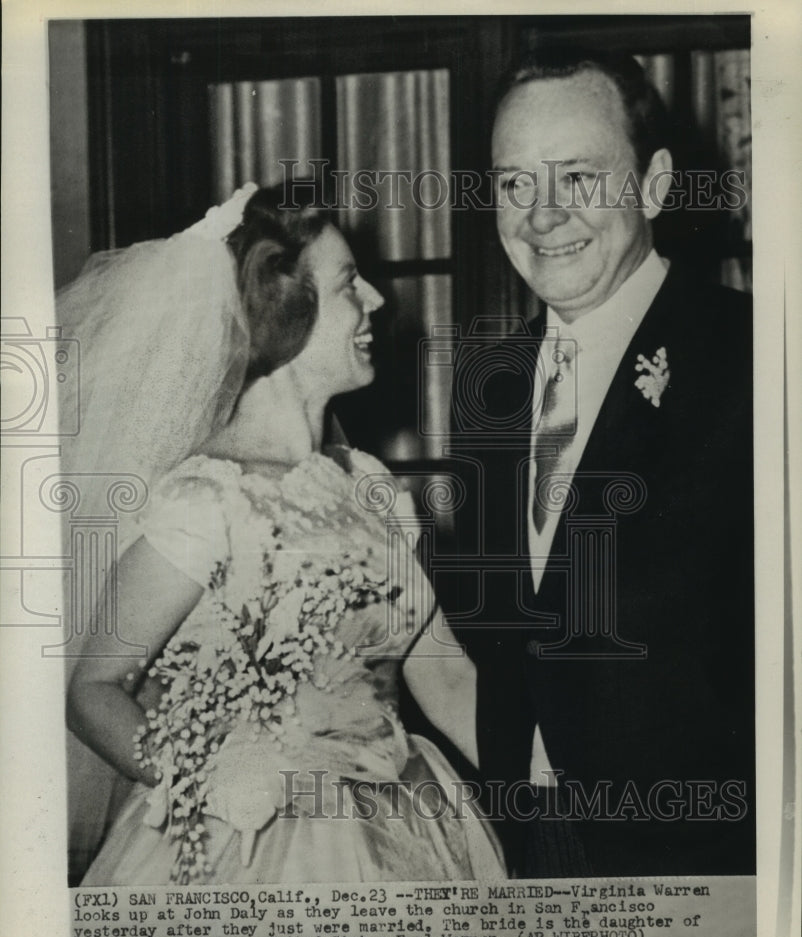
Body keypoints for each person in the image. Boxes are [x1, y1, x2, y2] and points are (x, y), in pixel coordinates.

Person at [63, 183, 505, 885]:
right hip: (253, 851)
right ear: (283, 307)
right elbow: (93, 692)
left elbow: (445, 676)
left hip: (411, 829)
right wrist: (204, 776)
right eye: (350, 284)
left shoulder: (372, 489)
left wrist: (559, 772)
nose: (378, 303)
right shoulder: (208, 498)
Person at [450, 47, 754, 877]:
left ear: (654, 185)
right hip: (525, 843)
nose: (542, 216)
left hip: (710, 859)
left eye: (577, 177)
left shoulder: (755, 356)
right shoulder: (491, 384)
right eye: (515, 183)